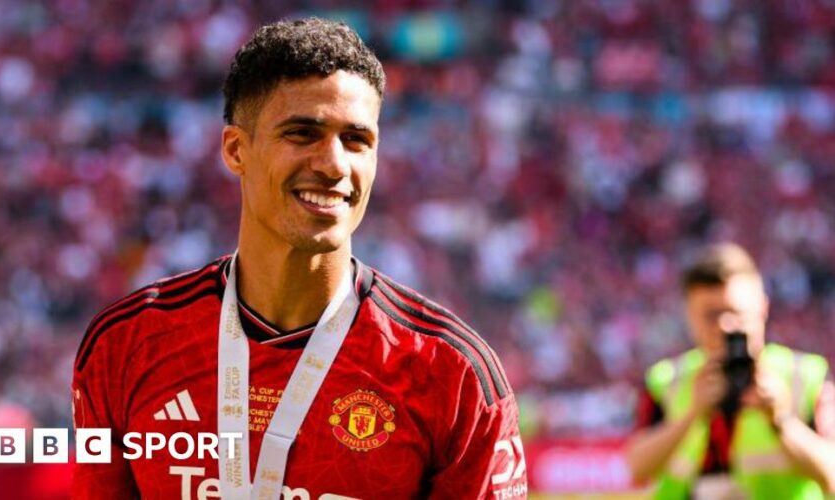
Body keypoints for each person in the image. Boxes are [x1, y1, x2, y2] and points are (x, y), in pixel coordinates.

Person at [71, 18, 527, 500]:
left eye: (356, 140)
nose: (333, 165)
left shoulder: (452, 376)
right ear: (235, 149)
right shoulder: (126, 345)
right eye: (302, 133)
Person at [626, 243, 835, 499]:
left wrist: (782, 421)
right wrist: (693, 414)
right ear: (689, 315)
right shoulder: (667, 381)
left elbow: (832, 473)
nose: (725, 326)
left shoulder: (804, 376)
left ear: (762, 307)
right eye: (711, 315)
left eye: (735, 313)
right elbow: (637, 467)